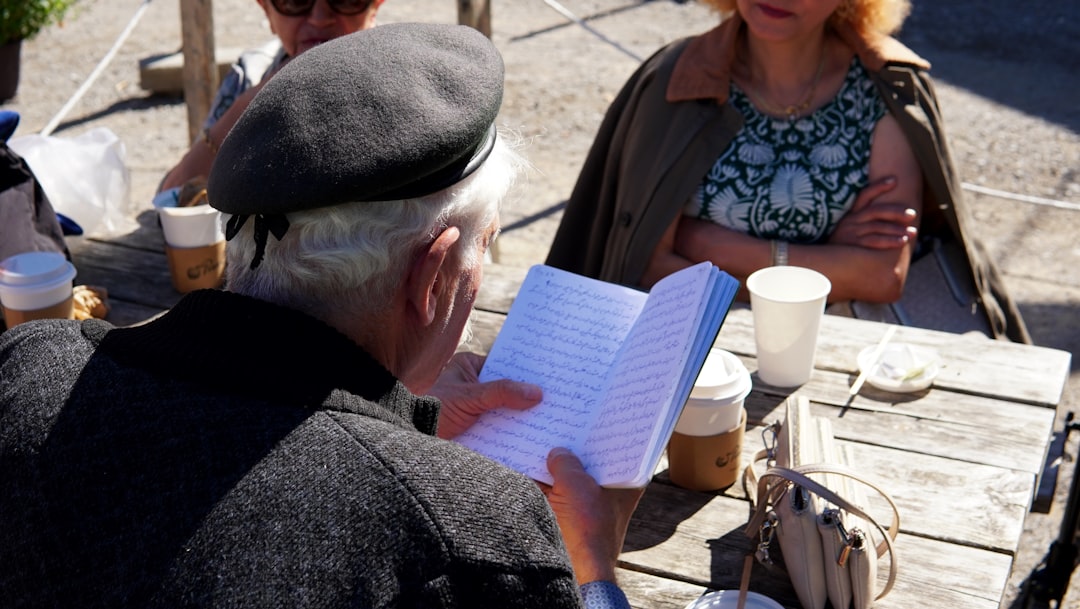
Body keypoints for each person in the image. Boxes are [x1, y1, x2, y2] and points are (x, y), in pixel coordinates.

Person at [0, 24, 641, 608]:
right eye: (485, 244)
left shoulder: (27, 368)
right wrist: (594, 575)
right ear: (434, 273)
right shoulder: (471, 529)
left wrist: (397, 414)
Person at [546, 0, 1029, 342]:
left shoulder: (886, 85)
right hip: (696, 353)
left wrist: (706, 244)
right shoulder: (678, 79)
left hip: (845, 356)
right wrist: (831, 255)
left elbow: (883, 276)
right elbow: (650, 268)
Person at [158, 0, 385, 194]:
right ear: (266, 9)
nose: (319, 18)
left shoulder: (400, 81)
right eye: (294, 2)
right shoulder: (252, 73)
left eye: (345, 0)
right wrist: (252, 103)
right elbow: (173, 194)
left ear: (375, 4)